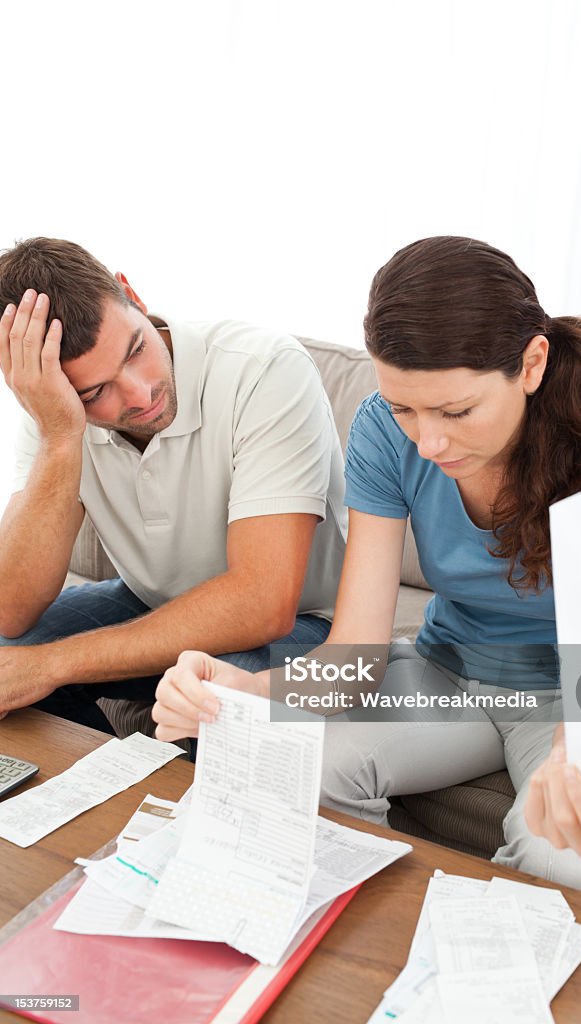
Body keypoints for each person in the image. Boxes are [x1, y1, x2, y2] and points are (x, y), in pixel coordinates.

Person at [151, 236, 581, 901]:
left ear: (533, 363)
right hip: (444, 672)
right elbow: (356, 653)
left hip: (574, 696)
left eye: (456, 411)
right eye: (406, 408)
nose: (428, 442)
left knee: (568, 860)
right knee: (300, 771)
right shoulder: (381, 429)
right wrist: (241, 691)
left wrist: (579, 756)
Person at [0, 237, 346, 733]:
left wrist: (53, 665)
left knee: (219, 707)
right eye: (95, 392)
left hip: (305, 628)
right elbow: (11, 611)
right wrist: (60, 436)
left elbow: (264, 606)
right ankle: (88, 795)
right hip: (153, 606)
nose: (140, 395)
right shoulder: (55, 411)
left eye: (136, 350)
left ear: (132, 295)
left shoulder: (263, 368)